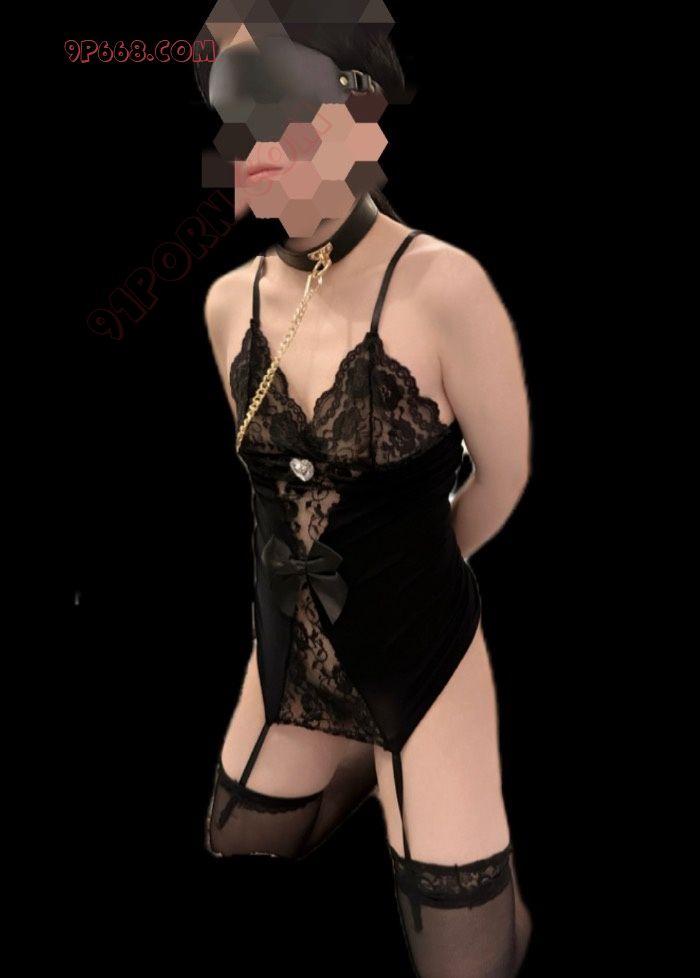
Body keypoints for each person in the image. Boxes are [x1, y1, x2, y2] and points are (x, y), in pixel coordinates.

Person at [196, 21, 534, 978]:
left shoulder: (446, 286)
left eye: (279, 111)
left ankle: (394, 765)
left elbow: (504, 476)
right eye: (233, 123)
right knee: (232, 849)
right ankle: (353, 764)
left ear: (357, 116)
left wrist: (414, 579)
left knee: (467, 961)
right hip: (286, 661)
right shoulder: (226, 305)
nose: (252, 148)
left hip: (419, 657)